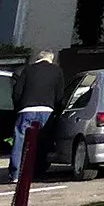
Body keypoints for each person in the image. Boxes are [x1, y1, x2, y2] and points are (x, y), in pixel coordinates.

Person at [9, 50, 61, 183]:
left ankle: (16, 173)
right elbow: (59, 95)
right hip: (47, 110)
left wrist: (18, 108)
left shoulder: (27, 70)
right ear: (51, 59)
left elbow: (17, 92)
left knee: (20, 140)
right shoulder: (57, 71)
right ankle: (37, 172)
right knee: (42, 141)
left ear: (38, 58)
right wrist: (56, 111)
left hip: (26, 109)